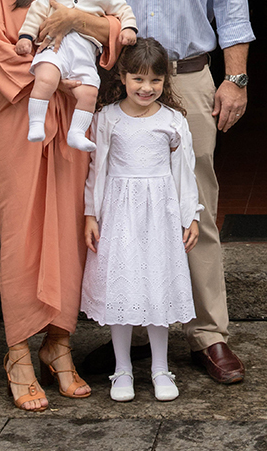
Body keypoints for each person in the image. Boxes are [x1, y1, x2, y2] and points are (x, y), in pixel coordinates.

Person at [77, 0, 254, 384]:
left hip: (191, 78)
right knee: (120, 206)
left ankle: (208, 335)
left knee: (192, 204)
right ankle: (128, 330)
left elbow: (232, 5)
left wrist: (235, 79)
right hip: (118, 84)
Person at [0, 0, 123, 412]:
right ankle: (18, 349)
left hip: (74, 119)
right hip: (21, 113)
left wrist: (79, 21)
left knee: (68, 225)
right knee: (21, 228)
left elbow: (115, 31)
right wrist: (54, 81)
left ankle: (59, 343)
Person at [81, 38, 201, 402]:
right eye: (138, 79)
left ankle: (160, 368)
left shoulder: (173, 121)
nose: (146, 88)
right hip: (119, 216)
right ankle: (122, 369)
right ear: (122, 77)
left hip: (160, 217)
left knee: (156, 286)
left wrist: (190, 216)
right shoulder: (106, 119)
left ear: (165, 81)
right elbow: (97, 171)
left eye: (155, 81)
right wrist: (91, 214)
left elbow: (184, 173)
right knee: (123, 289)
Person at [16, 0, 138, 152]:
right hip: (55, 49)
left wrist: (128, 29)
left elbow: (124, 11)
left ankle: (77, 133)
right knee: (45, 79)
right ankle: (36, 123)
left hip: (84, 56)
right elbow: (36, 13)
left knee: (89, 93)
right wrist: (26, 37)